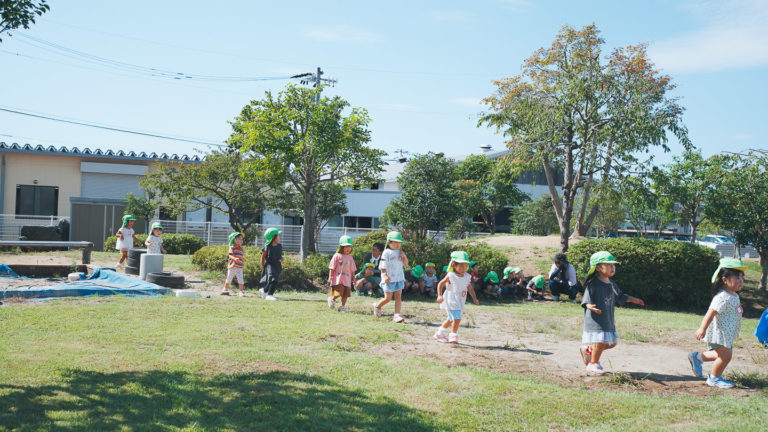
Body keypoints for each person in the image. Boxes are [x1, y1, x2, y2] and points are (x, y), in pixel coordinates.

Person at [579, 251, 645, 375]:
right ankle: (593, 364)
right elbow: (586, 299)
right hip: (596, 319)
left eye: (613, 265)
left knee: (612, 343)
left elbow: (620, 296)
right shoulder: (593, 284)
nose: (612, 267)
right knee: (601, 341)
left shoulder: (612, 283)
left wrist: (634, 299)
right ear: (598, 268)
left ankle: (589, 350)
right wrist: (589, 306)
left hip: (607, 319)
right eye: (608, 265)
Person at [687, 258, 746, 389]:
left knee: (721, 354)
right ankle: (714, 379)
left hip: (727, 333)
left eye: (742, 279)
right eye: (737, 278)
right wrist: (702, 328)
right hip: (719, 333)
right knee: (726, 356)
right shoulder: (722, 296)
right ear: (725, 279)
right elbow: (711, 312)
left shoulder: (733, 295)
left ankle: (697, 357)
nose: (741, 282)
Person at [434, 251, 479, 344]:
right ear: (454, 265)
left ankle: (439, 333)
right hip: (451, 300)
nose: (464, 268)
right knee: (457, 318)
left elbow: (470, 288)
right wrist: (439, 295)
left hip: (460, 300)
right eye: (461, 266)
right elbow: (440, 284)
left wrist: (474, 298)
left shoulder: (467, 276)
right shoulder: (451, 275)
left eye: (466, 266)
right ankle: (453, 336)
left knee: (450, 319)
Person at [372, 231, 408, 323]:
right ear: (389, 242)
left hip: (399, 278)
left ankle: (397, 315)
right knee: (388, 298)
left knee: (398, 297)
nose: (397, 245)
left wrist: (404, 256)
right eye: (395, 242)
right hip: (389, 279)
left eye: (399, 243)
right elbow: (383, 266)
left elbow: (405, 264)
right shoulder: (386, 252)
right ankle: (377, 306)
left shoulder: (400, 252)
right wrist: (385, 276)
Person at [327, 235, 357, 312]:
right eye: (346, 247)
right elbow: (332, 267)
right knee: (338, 293)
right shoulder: (337, 256)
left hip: (347, 280)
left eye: (349, 247)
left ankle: (342, 306)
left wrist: (354, 278)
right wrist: (330, 276)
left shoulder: (350, 258)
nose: (348, 249)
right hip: (338, 279)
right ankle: (332, 299)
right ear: (341, 247)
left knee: (345, 295)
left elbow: (352, 269)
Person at [259, 228, 282, 301]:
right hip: (270, 266)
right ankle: (270, 295)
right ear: (273, 237)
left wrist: (281, 259)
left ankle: (263, 290)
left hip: (277, 265)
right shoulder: (267, 247)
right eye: (278, 235)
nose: (279, 237)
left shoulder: (279, 246)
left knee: (273, 280)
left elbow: (278, 256)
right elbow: (262, 257)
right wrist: (262, 265)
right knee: (273, 279)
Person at [222, 232, 245, 297]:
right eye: (239, 239)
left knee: (240, 279)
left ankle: (241, 291)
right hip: (232, 266)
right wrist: (234, 258)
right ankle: (225, 289)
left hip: (239, 266)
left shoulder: (241, 248)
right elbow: (230, 255)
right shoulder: (232, 247)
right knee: (229, 278)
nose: (241, 240)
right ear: (234, 240)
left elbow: (241, 256)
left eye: (242, 239)